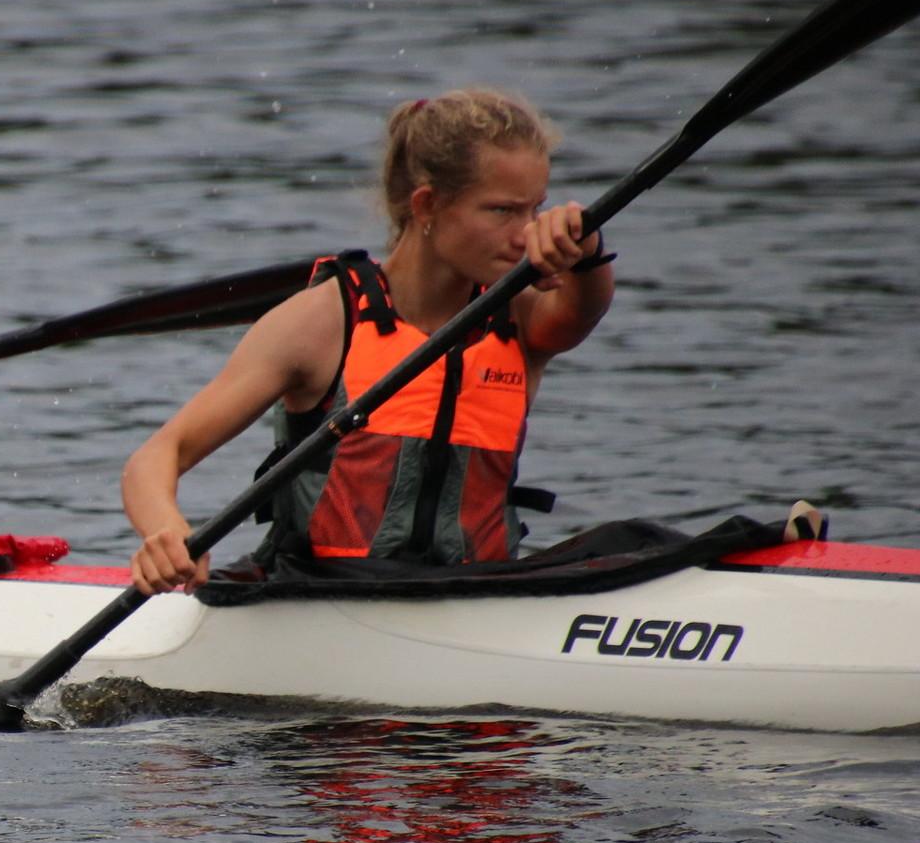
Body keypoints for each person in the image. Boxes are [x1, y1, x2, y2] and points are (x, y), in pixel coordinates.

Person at [123, 88, 615, 595]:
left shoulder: (520, 314)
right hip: (321, 595)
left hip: (476, 591)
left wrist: (589, 247)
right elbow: (159, 455)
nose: (525, 234)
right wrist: (168, 531)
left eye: (536, 210)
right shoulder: (321, 323)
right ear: (427, 205)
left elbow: (584, 309)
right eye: (502, 211)